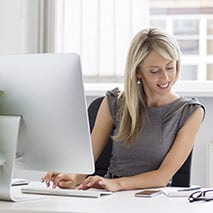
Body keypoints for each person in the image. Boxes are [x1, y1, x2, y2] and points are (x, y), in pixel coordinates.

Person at [42, 28, 205, 192]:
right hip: (110, 196)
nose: (165, 78)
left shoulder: (190, 112)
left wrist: (117, 184)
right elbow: (88, 160)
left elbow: (162, 177)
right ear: (138, 72)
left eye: (170, 67)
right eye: (154, 71)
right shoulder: (114, 102)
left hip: (154, 199)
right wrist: (72, 176)